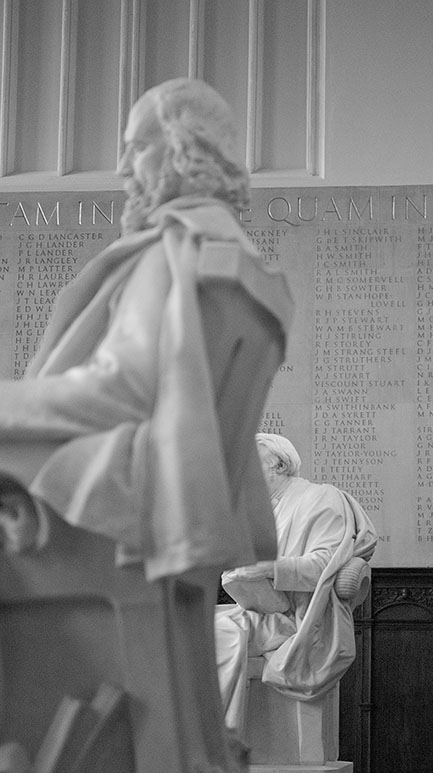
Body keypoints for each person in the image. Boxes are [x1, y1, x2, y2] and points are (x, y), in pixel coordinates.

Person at [0, 78, 290, 579]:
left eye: (136, 147)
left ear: (184, 151)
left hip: (108, 511)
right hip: (170, 499)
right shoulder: (224, 251)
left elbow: (122, 389)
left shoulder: (174, 252)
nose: (121, 168)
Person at [215, 433, 377, 731]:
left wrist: (267, 569)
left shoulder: (319, 498)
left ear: (277, 464)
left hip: (303, 618)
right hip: (268, 613)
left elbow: (324, 566)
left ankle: (222, 738)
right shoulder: (266, 512)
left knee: (217, 632)